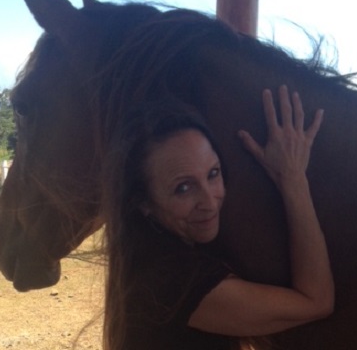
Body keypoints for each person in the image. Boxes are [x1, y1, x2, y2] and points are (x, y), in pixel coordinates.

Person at [101, 85, 333, 350]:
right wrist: (293, 179)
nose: (210, 202)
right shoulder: (175, 283)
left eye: (213, 174)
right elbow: (316, 301)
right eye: (183, 188)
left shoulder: (146, 258)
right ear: (144, 204)